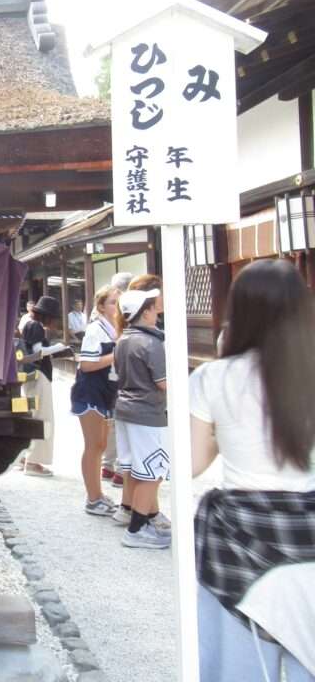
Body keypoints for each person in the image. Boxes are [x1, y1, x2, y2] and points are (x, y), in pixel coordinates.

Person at [190, 259, 315, 682]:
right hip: (310, 533)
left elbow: (191, 463)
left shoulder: (213, 378)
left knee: (236, 669)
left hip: (237, 541)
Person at [112, 287, 170, 548]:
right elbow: (163, 383)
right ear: (145, 312)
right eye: (152, 306)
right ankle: (136, 530)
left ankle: (141, 523)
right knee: (152, 472)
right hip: (147, 412)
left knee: (136, 469)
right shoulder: (151, 342)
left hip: (125, 408)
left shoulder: (123, 338)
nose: (156, 310)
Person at [71, 286, 121, 515]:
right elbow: (87, 364)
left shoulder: (115, 329)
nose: (116, 307)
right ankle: (92, 498)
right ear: (101, 306)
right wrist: (116, 354)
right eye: (112, 302)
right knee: (93, 445)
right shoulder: (95, 329)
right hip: (90, 391)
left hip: (105, 391)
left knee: (101, 444)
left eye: (118, 302)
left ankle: (98, 494)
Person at [20, 295, 68, 477]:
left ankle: (26, 457)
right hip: (39, 375)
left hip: (32, 375)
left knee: (34, 415)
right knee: (43, 418)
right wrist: (59, 347)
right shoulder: (36, 327)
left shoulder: (30, 325)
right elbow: (38, 352)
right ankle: (33, 462)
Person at [100, 272, 132, 487]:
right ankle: (121, 468)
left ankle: (109, 464)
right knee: (121, 422)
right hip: (119, 374)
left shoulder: (104, 314)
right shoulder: (124, 313)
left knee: (112, 421)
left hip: (109, 376)